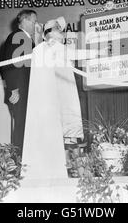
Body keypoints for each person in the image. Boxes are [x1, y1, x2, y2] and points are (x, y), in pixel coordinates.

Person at [22, 16, 99, 180]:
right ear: (49, 34)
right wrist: (98, 52)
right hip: (59, 93)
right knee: (66, 128)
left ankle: (70, 166)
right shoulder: (50, 46)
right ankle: (68, 167)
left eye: (59, 29)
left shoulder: (53, 46)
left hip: (66, 90)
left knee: (68, 129)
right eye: (55, 29)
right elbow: (77, 53)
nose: (59, 31)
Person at [0, 9, 38, 156]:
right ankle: (19, 161)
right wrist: (13, 89)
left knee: (24, 126)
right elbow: (10, 65)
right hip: (20, 91)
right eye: (34, 22)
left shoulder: (25, 38)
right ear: (26, 21)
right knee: (21, 126)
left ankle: (23, 160)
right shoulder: (18, 36)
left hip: (26, 90)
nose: (36, 25)